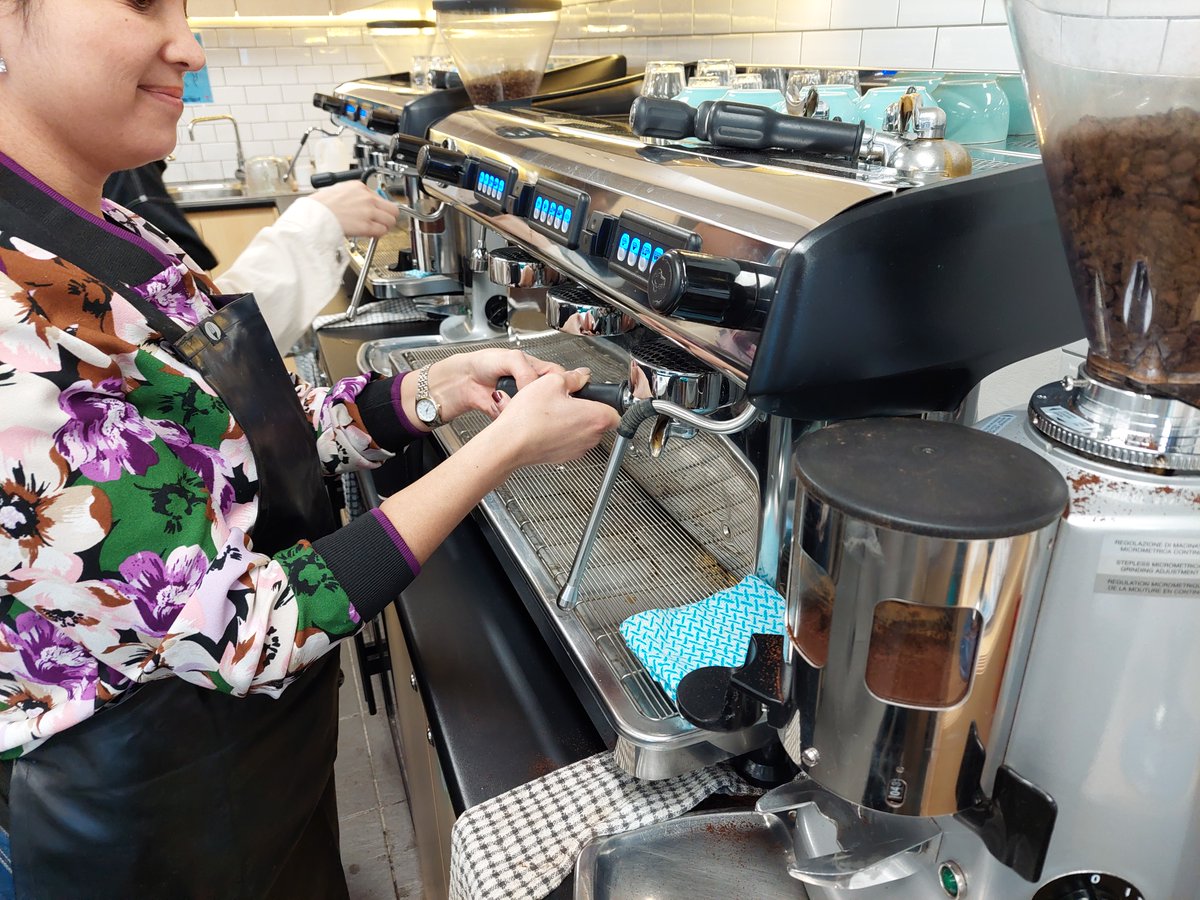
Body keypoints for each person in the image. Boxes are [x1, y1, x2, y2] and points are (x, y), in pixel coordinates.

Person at [0, 1, 622, 898]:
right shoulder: (15, 320)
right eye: (141, 3)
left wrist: (422, 394)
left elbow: (235, 435)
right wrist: (497, 454)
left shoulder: (112, 237)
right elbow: (244, 624)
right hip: (134, 816)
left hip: (243, 771)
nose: (189, 46)